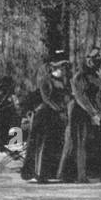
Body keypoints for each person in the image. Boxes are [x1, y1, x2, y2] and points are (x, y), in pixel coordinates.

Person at [68, 48, 101, 182]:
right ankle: (81, 174)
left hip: (95, 112)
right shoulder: (80, 77)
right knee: (82, 142)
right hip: (81, 113)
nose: (97, 64)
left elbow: (98, 95)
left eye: (99, 61)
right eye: (95, 61)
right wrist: (92, 113)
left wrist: (100, 111)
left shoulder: (96, 75)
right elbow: (81, 97)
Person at [23, 53, 71, 183]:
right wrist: (59, 109)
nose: (62, 70)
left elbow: (65, 98)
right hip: (44, 115)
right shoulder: (46, 80)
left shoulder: (62, 82)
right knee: (43, 145)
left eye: (63, 68)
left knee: (54, 145)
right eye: (60, 67)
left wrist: (64, 109)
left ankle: (51, 173)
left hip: (57, 116)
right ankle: (39, 174)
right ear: (54, 68)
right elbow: (46, 99)